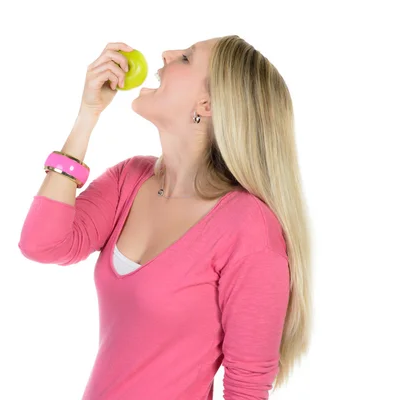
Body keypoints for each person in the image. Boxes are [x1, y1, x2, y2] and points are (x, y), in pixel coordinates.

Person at [18, 35, 312, 400]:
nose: (167, 54)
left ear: (206, 103)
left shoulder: (248, 227)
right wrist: (87, 115)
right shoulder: (130, 180)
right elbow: (43, 244)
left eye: (186, 58)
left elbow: (247, 386)